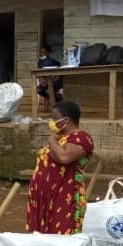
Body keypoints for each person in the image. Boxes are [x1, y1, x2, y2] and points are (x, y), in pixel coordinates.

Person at [26, 99, 94, 235]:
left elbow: (64, 158)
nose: (52, 122)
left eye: (54, 118)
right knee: (42, 241)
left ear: (66, 120)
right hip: (44, 198)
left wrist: (51, 141)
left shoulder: (81, 138)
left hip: (64, 198)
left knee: (61, 240)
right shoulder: (61, 138)